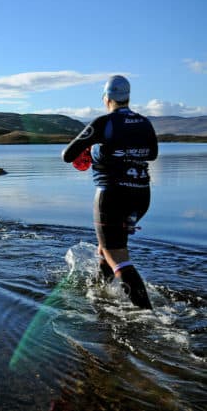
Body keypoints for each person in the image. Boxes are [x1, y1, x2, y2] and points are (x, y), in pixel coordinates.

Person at [62, 75, 158, 309]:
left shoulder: (104, 122)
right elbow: (152, 154)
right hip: (141, 195)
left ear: (106, 98)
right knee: (106, 248)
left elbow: (67, 155)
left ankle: (149, 318)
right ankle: (102, 294)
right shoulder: (144, 122)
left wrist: (93, 148)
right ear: (127, 97)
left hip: (112, 196)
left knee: (117, 257)